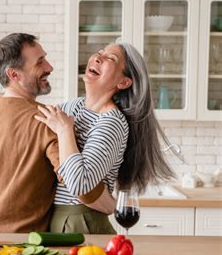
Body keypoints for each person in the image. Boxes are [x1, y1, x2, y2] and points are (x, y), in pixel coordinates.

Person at [0, 33, 106, 233]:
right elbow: (81, 186)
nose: (49, 67)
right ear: (14, 74)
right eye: (40, 63)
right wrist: (113, 205)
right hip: (30, 246)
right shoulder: (47, 121)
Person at [34, 42, 176, 233]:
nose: (98, 57)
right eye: (100, 52)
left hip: (82, 222)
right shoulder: (74, 107)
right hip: (56, 218)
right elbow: (35, 125)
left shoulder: (112, 123)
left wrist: (65, 131)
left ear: (123, 82)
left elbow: (80, 184)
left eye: (110, 58)